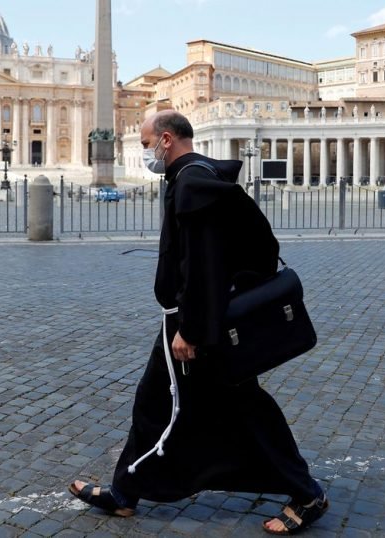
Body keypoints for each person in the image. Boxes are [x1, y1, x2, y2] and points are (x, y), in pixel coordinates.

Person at [69, 110, 328, 535]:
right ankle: (124, 492)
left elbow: (205, 266)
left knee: (244, 406)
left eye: (145, 141)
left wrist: (191, 330)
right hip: (192, 316)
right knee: (156, 401)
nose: (144, 150)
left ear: (166, 139)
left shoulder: (192, 185)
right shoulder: (198, 174)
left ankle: (307, 492)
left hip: (195, 322)